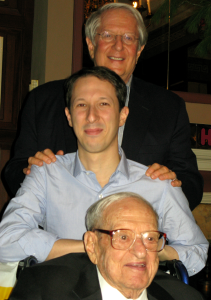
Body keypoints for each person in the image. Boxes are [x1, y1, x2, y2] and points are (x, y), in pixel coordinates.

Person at [0, 66, 208, 277]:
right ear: (69, 116)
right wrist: (94, 247)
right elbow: (5, 239)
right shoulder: (46, 175)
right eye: (82, 105)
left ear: (122, 115)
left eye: (103, 104)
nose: (92, 116)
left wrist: (147, 248)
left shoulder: (157, 183)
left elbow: (196, 251)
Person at [2, 3, 203, 211]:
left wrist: (172, 186)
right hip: (61, 233)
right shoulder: (42, 101)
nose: (118, 46)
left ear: (140, 50)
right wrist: (32, 171)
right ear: (90, 45)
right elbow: (14, 170)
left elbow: (191, 184)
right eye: (107, 35)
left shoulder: (169, 108)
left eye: (128, 38)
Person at [9, 192, 204, 300]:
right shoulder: (44, 291)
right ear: (92, 246)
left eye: (150, 239)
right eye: (124, 237)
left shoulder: (185, 297)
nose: (140, 251)